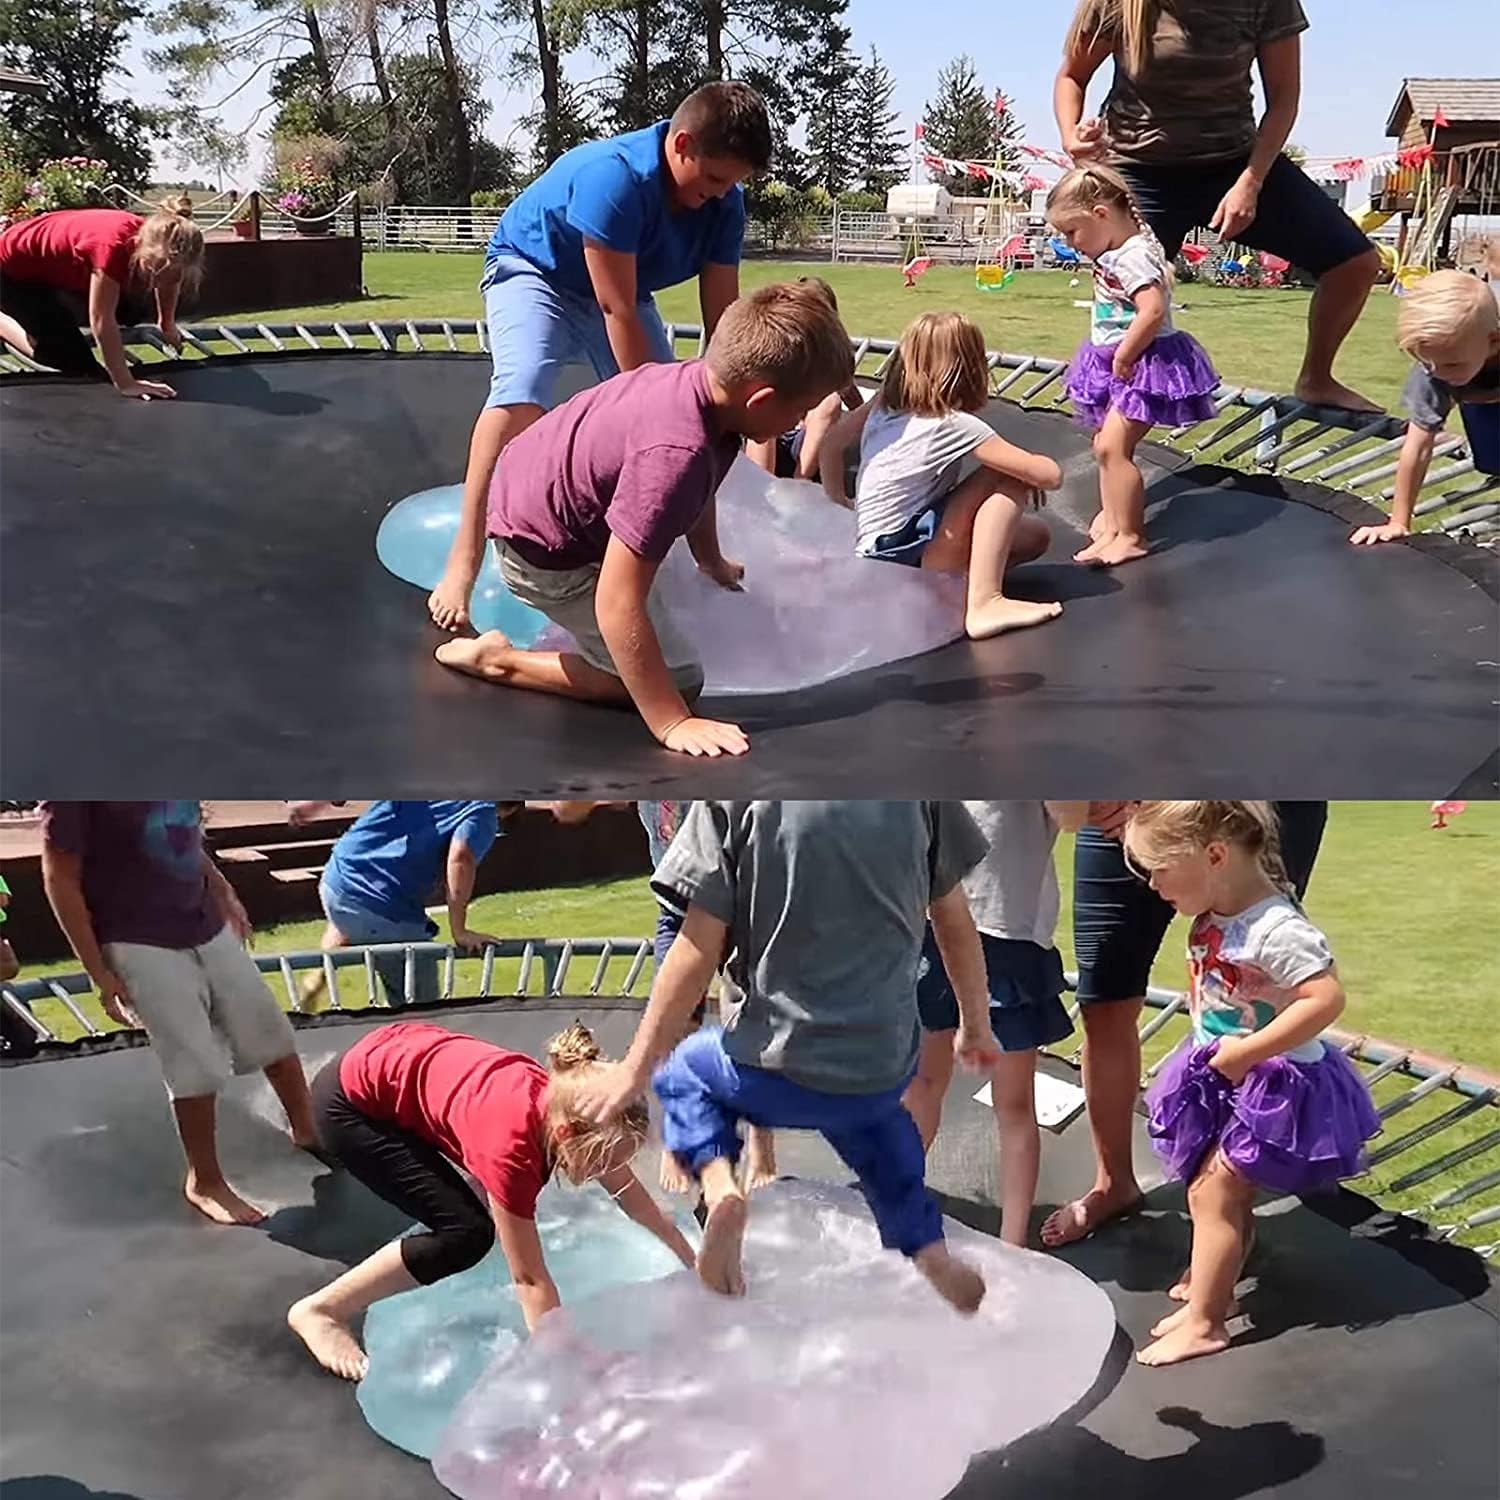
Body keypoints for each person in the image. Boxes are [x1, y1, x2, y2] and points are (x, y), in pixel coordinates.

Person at [572, 801, 1003, 1313]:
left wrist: (634, 1068)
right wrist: (976, 1025)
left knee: (686, 1073)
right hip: (877, 1072)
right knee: (886, 1145)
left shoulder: (732, 796)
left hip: (771, 1071)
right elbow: (954, 920)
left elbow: (696, 948)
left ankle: (720, 1186)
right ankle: (927, 1247)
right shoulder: (918, 792)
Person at [434, 281, 856, 757]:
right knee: (681, 678)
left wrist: (710, 559)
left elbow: (700, 488)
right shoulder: (676, 454)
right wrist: (672, 720)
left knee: (657, 589)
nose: (799, 423)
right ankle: (500, 660)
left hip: (538, 491)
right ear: (760, 400)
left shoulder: (701, 390)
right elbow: (617, 602)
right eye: (800, 411)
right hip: (544, 555)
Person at [428, 83, 772, 632]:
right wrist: (664, 411)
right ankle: (463, 560)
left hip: (621, 288)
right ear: (682, 144)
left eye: (731, 183)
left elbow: (722, 321)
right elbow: (618, 311)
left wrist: (726, 393)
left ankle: (708, 555)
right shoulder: (614, 177)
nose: (720, 194)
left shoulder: (725, 203)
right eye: (713, 179)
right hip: (535, 270)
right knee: (523, 391)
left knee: (702, 408)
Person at [288, 1019, 696, 1381]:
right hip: (349, 1109)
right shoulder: (512, 1150)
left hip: (388, 1061)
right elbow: (530, 1281)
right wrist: (574, 1366)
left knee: (483, 1195)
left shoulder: (568, 1101)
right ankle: (322, 1310)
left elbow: (629, 1194)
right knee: (466, 1234)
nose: (604, 1172)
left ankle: (465, 1191)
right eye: (601, 1162)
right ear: (566, 1134)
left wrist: (691, 1260)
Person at [1122, 800, 1379, 1367]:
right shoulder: (1218, 910)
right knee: (1215, 1189)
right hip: (1227, 1071)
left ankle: (1207, 1322)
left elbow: (1325, 998)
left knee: (1212, 1193)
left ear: (1215, 855)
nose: (1152, 885)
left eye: (1159, 870)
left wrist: (1250, 1051)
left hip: (1276, 1086)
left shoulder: (1276, 929)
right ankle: (1215, 1277)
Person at [1055, 0, 1381, 414]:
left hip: (1235, 163)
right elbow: (1072, 75)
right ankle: (1111, 432)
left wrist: (1251, 181)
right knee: (1130, 307)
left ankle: (1317, 379)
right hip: (1139, 171)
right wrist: (1071, 136)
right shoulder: (1118, 4)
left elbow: (1283, 98)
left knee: (1355, 263)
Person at [1041, 800, 1327, 1250]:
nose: (1151, 882)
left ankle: (1229, 1219)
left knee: (1250, 997)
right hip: (1124, 804)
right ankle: (1116, 1184)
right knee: (1106, 997)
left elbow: (1320, 995)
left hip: (1252, 796)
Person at [39, 801, 316, 1225]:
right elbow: (59, 878)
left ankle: (307, 1132)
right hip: (136, 938)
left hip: (204, 923)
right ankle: (205, 1180)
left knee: (270, 1032)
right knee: (193, 1062)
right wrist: (99, 972)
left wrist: (222, 890)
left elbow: (180, 835)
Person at [902, 802, 1088, 1246]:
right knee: (921, 1082)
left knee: (1013, 1102)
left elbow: (1074, 817)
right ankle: (896, 1201)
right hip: (933, 921)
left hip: (1009, 936)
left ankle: (1012, 1243)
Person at [818, 310, 1065, 638]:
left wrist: (839, 501)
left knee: (1035, 536)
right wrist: (1028, 471)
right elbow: (1050, 476)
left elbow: (831, 443)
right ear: (969, 366)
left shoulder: (883, 405)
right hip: (903, 557)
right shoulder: (951, 425)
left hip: (875, 559)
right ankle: (984, 602)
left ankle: (947, 589)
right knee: (1006, 477)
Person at [1047, 166, 1220, 566]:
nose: (1069, 243)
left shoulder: (1133, 256)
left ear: (1101, 214)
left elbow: (1152, 310)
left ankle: (1130, 535)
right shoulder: (1121, 250)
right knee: (1106, 447)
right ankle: (1112, 524)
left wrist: (1124, 355)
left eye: (1072, 231)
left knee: (1112, 446)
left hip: (1144, 363)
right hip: (1122, 359)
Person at [287, 800, 507, 1010]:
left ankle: (320, 974)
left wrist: (316, 804)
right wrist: (460, 931)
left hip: (337, 882)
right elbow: (461, 857)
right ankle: (412, 1026)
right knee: (421, 1004)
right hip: (380, 903)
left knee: (354, 919)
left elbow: (362, 775)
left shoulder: (437, 778)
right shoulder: (483, 811)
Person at [1350, 272, 1500, 546]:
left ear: (1494, 341)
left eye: (1452, 364)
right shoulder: (1434, 372)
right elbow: (1418, 447)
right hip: (1486, 414)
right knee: (1491, 458)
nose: (1440, 373)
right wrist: (1399, 521)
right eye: (1427, 362)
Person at [0, 198, 204, 398]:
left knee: (133, 311)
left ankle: (58, 317)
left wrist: (167, 323)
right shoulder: (110, 248)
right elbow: (101, 319)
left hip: (53, 263)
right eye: (153, 270)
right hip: (9, 268)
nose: (157, 280)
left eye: (172, 275)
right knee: (70, 360)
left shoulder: (161, 236)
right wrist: (126, 383)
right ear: (138, 245)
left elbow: (169, 282)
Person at [744, 276, 865, 481]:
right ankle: (761, 487)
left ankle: (798, 484)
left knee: (830, 402)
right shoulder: (780, 341)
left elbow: (855, 402)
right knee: (766, 408)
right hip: (770, 434)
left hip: (803, 440)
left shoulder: (832, 358)